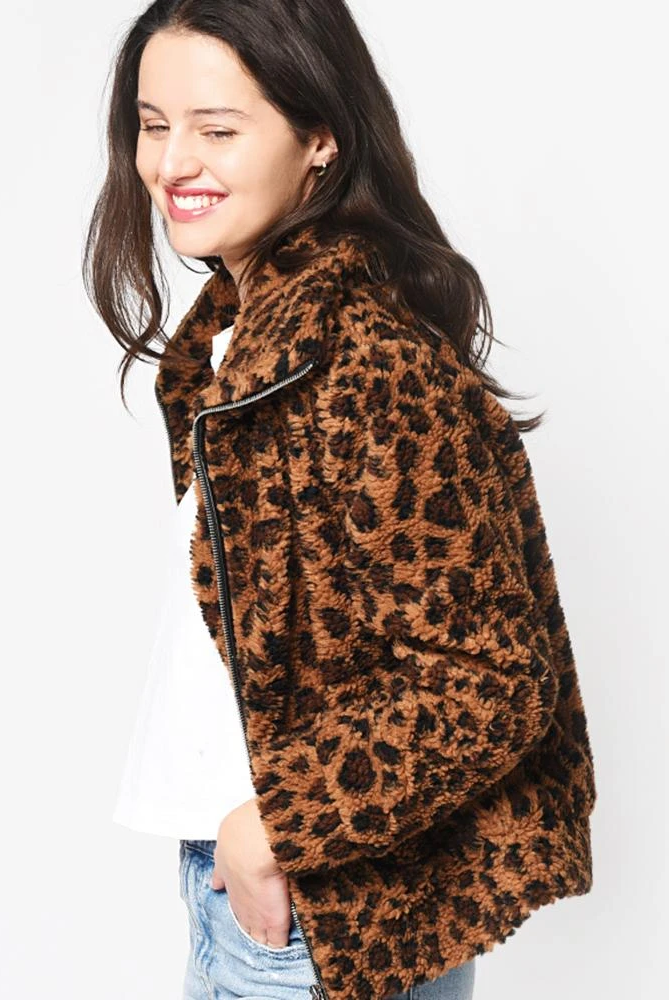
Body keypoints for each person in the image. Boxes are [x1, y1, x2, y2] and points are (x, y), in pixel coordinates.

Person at [82, 2, 597, 998]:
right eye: (153, 125)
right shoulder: (240, 342)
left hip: (320, 915)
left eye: (217, 129)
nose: (172, 162)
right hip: (267, 893)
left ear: (320, 137)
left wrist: (275, 827)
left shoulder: (363, 360)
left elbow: (491, 681)